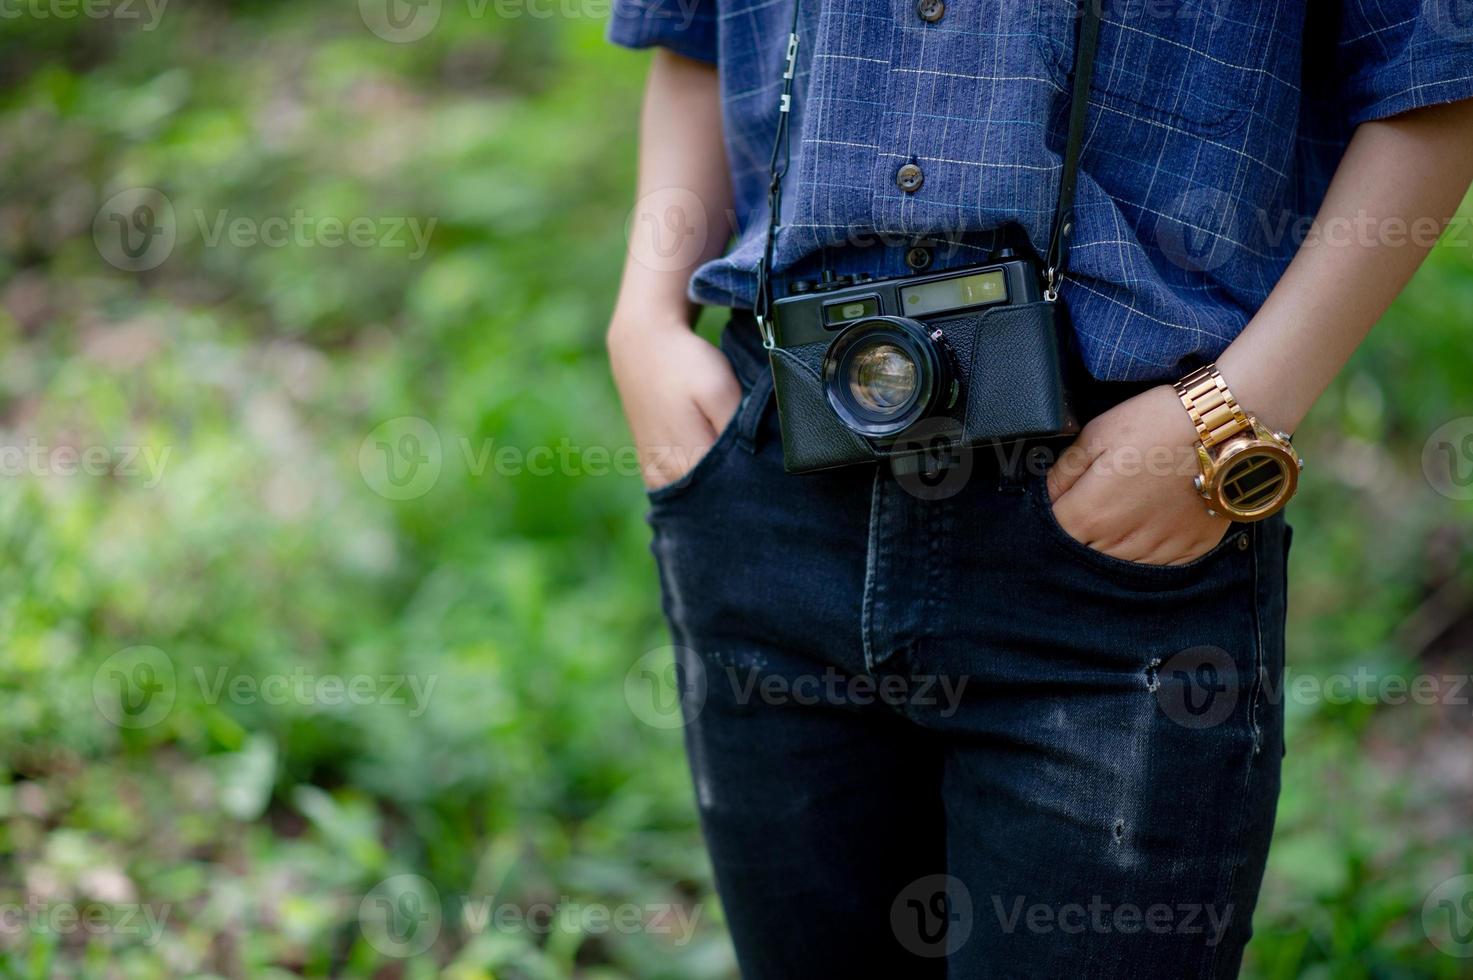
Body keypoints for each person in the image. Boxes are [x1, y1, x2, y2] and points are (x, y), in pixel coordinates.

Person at [604, 2, 1473, 976]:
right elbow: (692, 31)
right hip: (774, 486)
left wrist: (1239, 410)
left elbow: (1439, 62)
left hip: (1121, 514)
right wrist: (644, 315)